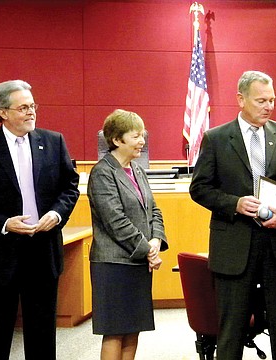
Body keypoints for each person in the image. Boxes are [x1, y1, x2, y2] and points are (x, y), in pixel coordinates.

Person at [189, 70, 276, 360]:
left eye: (272, 100)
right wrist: (234, 204)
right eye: (261, 101)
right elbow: (200, 189)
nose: (268, 106)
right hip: (234, 246)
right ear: (240, 100)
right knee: (231, 332)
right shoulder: (216, 138)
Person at [0, 80, 80, 359]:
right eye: (23, 107)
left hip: (43, 250)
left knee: (42, 333)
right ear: (2, 111)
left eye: (33, 106)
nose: (31, 112)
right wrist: (5, 223)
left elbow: (70, 186)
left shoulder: (53, 141)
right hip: (0, 252)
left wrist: (56, 214)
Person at [88, 109, 168, 360]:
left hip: (138, 263)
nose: (142, 142)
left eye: (142, 136)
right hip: (113, 265)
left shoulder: (138, 170)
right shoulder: (102, 173)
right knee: (115, 332)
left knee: (133, 329)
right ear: (117, 140)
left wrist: (156, 241)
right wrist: (148, 250)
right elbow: (115, 221)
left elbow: (154, 210)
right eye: (136, 136)